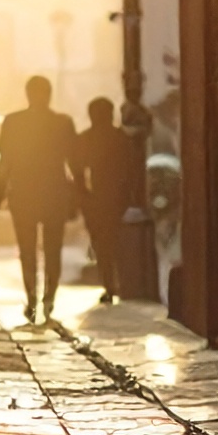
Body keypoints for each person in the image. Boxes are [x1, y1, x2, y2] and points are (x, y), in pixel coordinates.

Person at [0, 75, 80, 322]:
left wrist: (0, 195)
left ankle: (32, 300)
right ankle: (48, 300)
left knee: (27, 250)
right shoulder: (63, 123)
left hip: (23, 193)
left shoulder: (12, 122)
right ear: (49, 94)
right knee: (53, 249)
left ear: (28, 94)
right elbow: (73, 163)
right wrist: (76, 198)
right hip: (55, 193)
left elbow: (5, 162)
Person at [74, 96, 148, 302]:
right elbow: (134, 171)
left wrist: (82, 195)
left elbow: (77, 171)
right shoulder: (121, 139)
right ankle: (118, 284)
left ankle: (110, 284)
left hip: (95, 199)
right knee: (116, 243)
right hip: (119, 199)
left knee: (102, 244)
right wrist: (135, 197)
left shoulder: (85, 139)